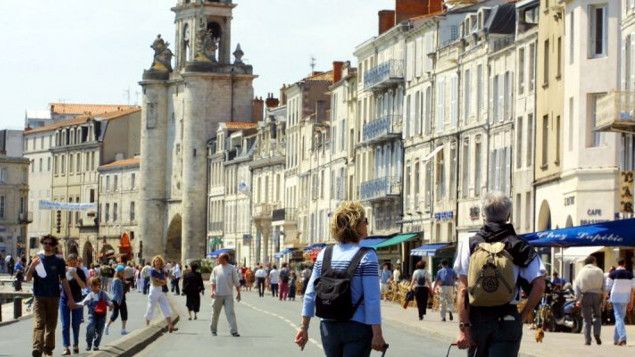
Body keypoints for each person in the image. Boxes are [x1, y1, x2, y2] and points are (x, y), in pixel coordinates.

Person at [454, 192, 545, 357]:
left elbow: (462, 290)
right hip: (508, 317)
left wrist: (464, 328)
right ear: (508, 215)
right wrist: (522, 315)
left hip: (478, 318)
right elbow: (539, 285)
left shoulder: (469, 244)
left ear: (483, 215)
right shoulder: (520, 245)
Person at [296, 201, 386, 356]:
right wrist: (377, 334)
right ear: (356, 225)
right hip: (357, 326)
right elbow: (372, 299)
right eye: (365, 221)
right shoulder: (367, 256)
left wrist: (303, 327)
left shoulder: (325, 253)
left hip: (328, 326)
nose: (367, 224)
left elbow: (310, 293)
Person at [26, 235, 79, 357]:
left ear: (54, 245)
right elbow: (28, 278)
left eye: (50, 243)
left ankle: (48, 349)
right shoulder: (36, 259)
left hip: (54, 297)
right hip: (39, 297)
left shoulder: (59, 261)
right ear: (42, 244)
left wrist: (70, 298)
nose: (47, 245)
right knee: (39, 323)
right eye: (45, 243)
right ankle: (37, 349)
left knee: (51, 325)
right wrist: (32, 266)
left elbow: (64, 280)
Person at [574, 255, 605, 346]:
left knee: (586, 319)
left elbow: (577, 285)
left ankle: (587, 340)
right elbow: (604, 285)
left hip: (585, 296)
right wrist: (603, 297)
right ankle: (597, 333)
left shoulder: (581, 272)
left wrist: (578, 299)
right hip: (597, 295)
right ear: (594, 261)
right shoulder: (599, 271)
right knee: (598, 316)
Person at [59, 254, 87, 355]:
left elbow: (84, 286)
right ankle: (66, 347)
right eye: (70, 260)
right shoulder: (63, 271)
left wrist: (76, 276)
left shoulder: (80, 271)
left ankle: (76, 344)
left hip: (77, 299)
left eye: (74, 260)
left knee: (76, 324)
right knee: (65, 324)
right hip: (64, 299)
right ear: (67, 261)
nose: (73, 262)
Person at [209, 253, 241, 337]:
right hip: (217, 295)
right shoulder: (216, 269)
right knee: (215, 313)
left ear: (225, 259)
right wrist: (212, 291)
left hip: (228, 295)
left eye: (219, 258)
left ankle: (234, 331)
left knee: (230, 313)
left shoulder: (231, 268)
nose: (218, 259)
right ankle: (213, 330)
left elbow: (236, 281)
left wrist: (238, 293)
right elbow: (213, 281)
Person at [605, 258, 635, 346]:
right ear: (624, 264)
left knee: (619, 318)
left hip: (616, 298)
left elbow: (607, 287)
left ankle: (622, 338)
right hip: (626, 298)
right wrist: (631, 302)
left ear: (617, 264)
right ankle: (616, 339)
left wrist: (606, 297)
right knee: (620, 318)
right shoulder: (630, 275)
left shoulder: (612, 274)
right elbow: (633, 290)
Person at [143, 255, 177, 332]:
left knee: (166, 306)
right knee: (151, 308)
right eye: (156, 261)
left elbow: (165, 281)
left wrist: (160, 281)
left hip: (160, 290)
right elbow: (155, 283)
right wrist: (161, 282)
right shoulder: (152, 271)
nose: (157, 263)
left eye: (159, 261)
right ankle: (147, 325)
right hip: (154, 290)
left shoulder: (161, 271)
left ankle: (170, 325)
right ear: (154, 263)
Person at [79, 277, 113, 351]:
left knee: (100, 330)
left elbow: (109, 301)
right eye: (91, 286)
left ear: (99, 285)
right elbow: (83, 302)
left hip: (102, 315)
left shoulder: (103, 294)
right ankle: (89, 343)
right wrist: (76, 305)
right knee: (90, 327)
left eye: (95, 286)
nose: (93, 288)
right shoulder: (90, 295)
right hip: (92, 314)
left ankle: (96, 345)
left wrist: (111, 305)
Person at [105, 265, 128, 336]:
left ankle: (123, 329)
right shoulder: (116, 280)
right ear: (118, 272)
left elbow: (122, 290)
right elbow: (115, 291)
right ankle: (107, 325)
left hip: (122, 298)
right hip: (117, 299)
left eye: (123, 272)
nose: (123, 273)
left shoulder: (121, 279)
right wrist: (117, 300)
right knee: (115, 314)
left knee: (124, 314)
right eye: (122, 272)